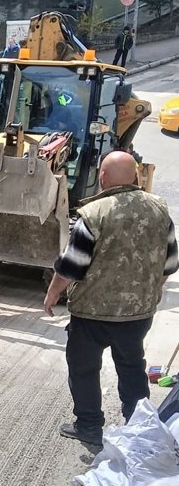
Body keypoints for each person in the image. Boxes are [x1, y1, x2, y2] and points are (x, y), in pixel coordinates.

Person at [44, 150, 178, 446]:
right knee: (132, 368)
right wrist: (150, 289)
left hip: (91, 314)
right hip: (137, 315)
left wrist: (53, 293)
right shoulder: (159, 209)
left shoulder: (93, 213)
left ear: (102, 177)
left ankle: (89, 427)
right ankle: (139, 430)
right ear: (135, 177)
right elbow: (170, 262)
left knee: (84, 369)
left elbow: (72, 266)